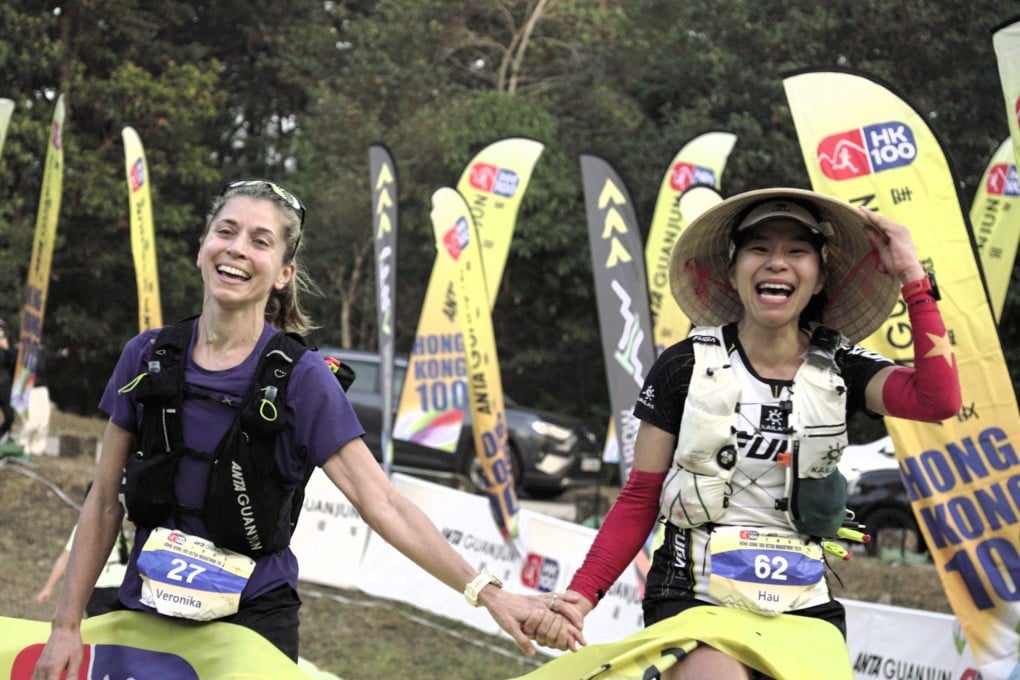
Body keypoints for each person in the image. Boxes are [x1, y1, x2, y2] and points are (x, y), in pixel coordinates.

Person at [31, 179, 583, 679]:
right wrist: (65, 624)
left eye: (260, 240)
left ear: (283, 273)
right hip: (145, 609)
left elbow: (382, 503)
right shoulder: (145, 355)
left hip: (252, 626)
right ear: (203, 247)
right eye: (226, 232)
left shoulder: (302, 379)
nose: (237, 249)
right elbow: (104, 501)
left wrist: (487, 593)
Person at [524, 188, 961, 678]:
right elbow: (641, 495)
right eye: (759, 249)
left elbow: (938, 399)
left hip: (803, 609)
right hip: (695, 601)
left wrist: (912, 277)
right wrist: (581, 597)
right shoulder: (684, 365)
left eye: (796, 251)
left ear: (818, 278)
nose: (777, 263)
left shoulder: (843, 365)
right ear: (733, 273)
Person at [34, 483, 130, 617]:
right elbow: (65, 559)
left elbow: (65, 559)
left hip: (117, 588)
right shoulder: (89, 528)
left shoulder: (120, 528)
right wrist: (48, 587)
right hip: (103, 588)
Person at [16, 344, 70, 456]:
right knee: (31, 422)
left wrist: (60, 357)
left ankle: (37, 449)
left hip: (41, 388)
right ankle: (22, 445)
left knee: (44, 421)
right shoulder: (22, 349)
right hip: (27, 388)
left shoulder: (41, 350)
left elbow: (47, 367)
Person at [0, 319, 16, 441]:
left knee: (9, 417)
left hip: (5, 386)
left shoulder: (5, 346)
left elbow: (13, 362)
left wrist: (7, 349)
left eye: (2, 329)